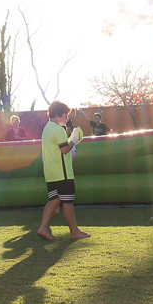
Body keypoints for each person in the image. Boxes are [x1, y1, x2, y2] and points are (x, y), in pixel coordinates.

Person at [37, 101, 90, 240]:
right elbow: (65, 150)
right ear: (57, 115)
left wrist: (70, 140)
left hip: (51, 173)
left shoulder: (46, 128)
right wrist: (74, 140)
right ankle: (74, 231)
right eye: (65, 116)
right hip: (63, 173)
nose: (67, 119)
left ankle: (43, 228)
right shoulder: (58, 129)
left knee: (54, 200)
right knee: (67, 201)